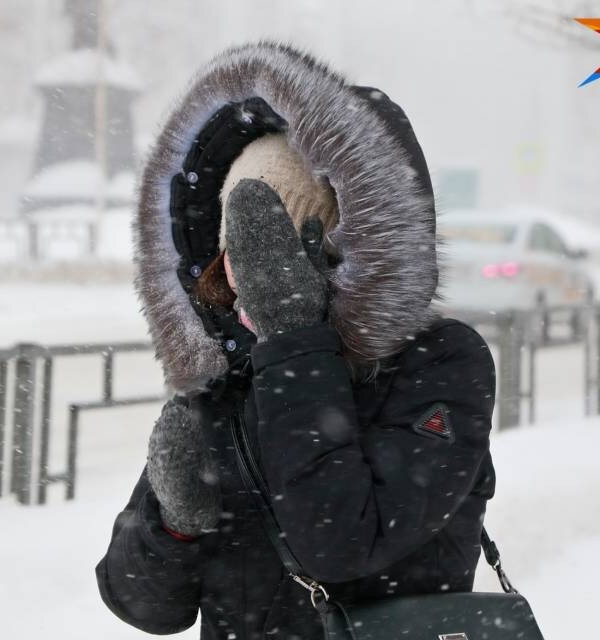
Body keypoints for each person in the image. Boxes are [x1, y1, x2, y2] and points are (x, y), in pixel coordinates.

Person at [95, 41, 496, 639]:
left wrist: (293, 337)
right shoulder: (226, 369)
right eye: (236, 248)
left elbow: (340, 545)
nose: (246, 271)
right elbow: (147, 608)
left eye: (274, 246)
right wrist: (172, 523)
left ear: (338, 244)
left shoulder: (437, 362)